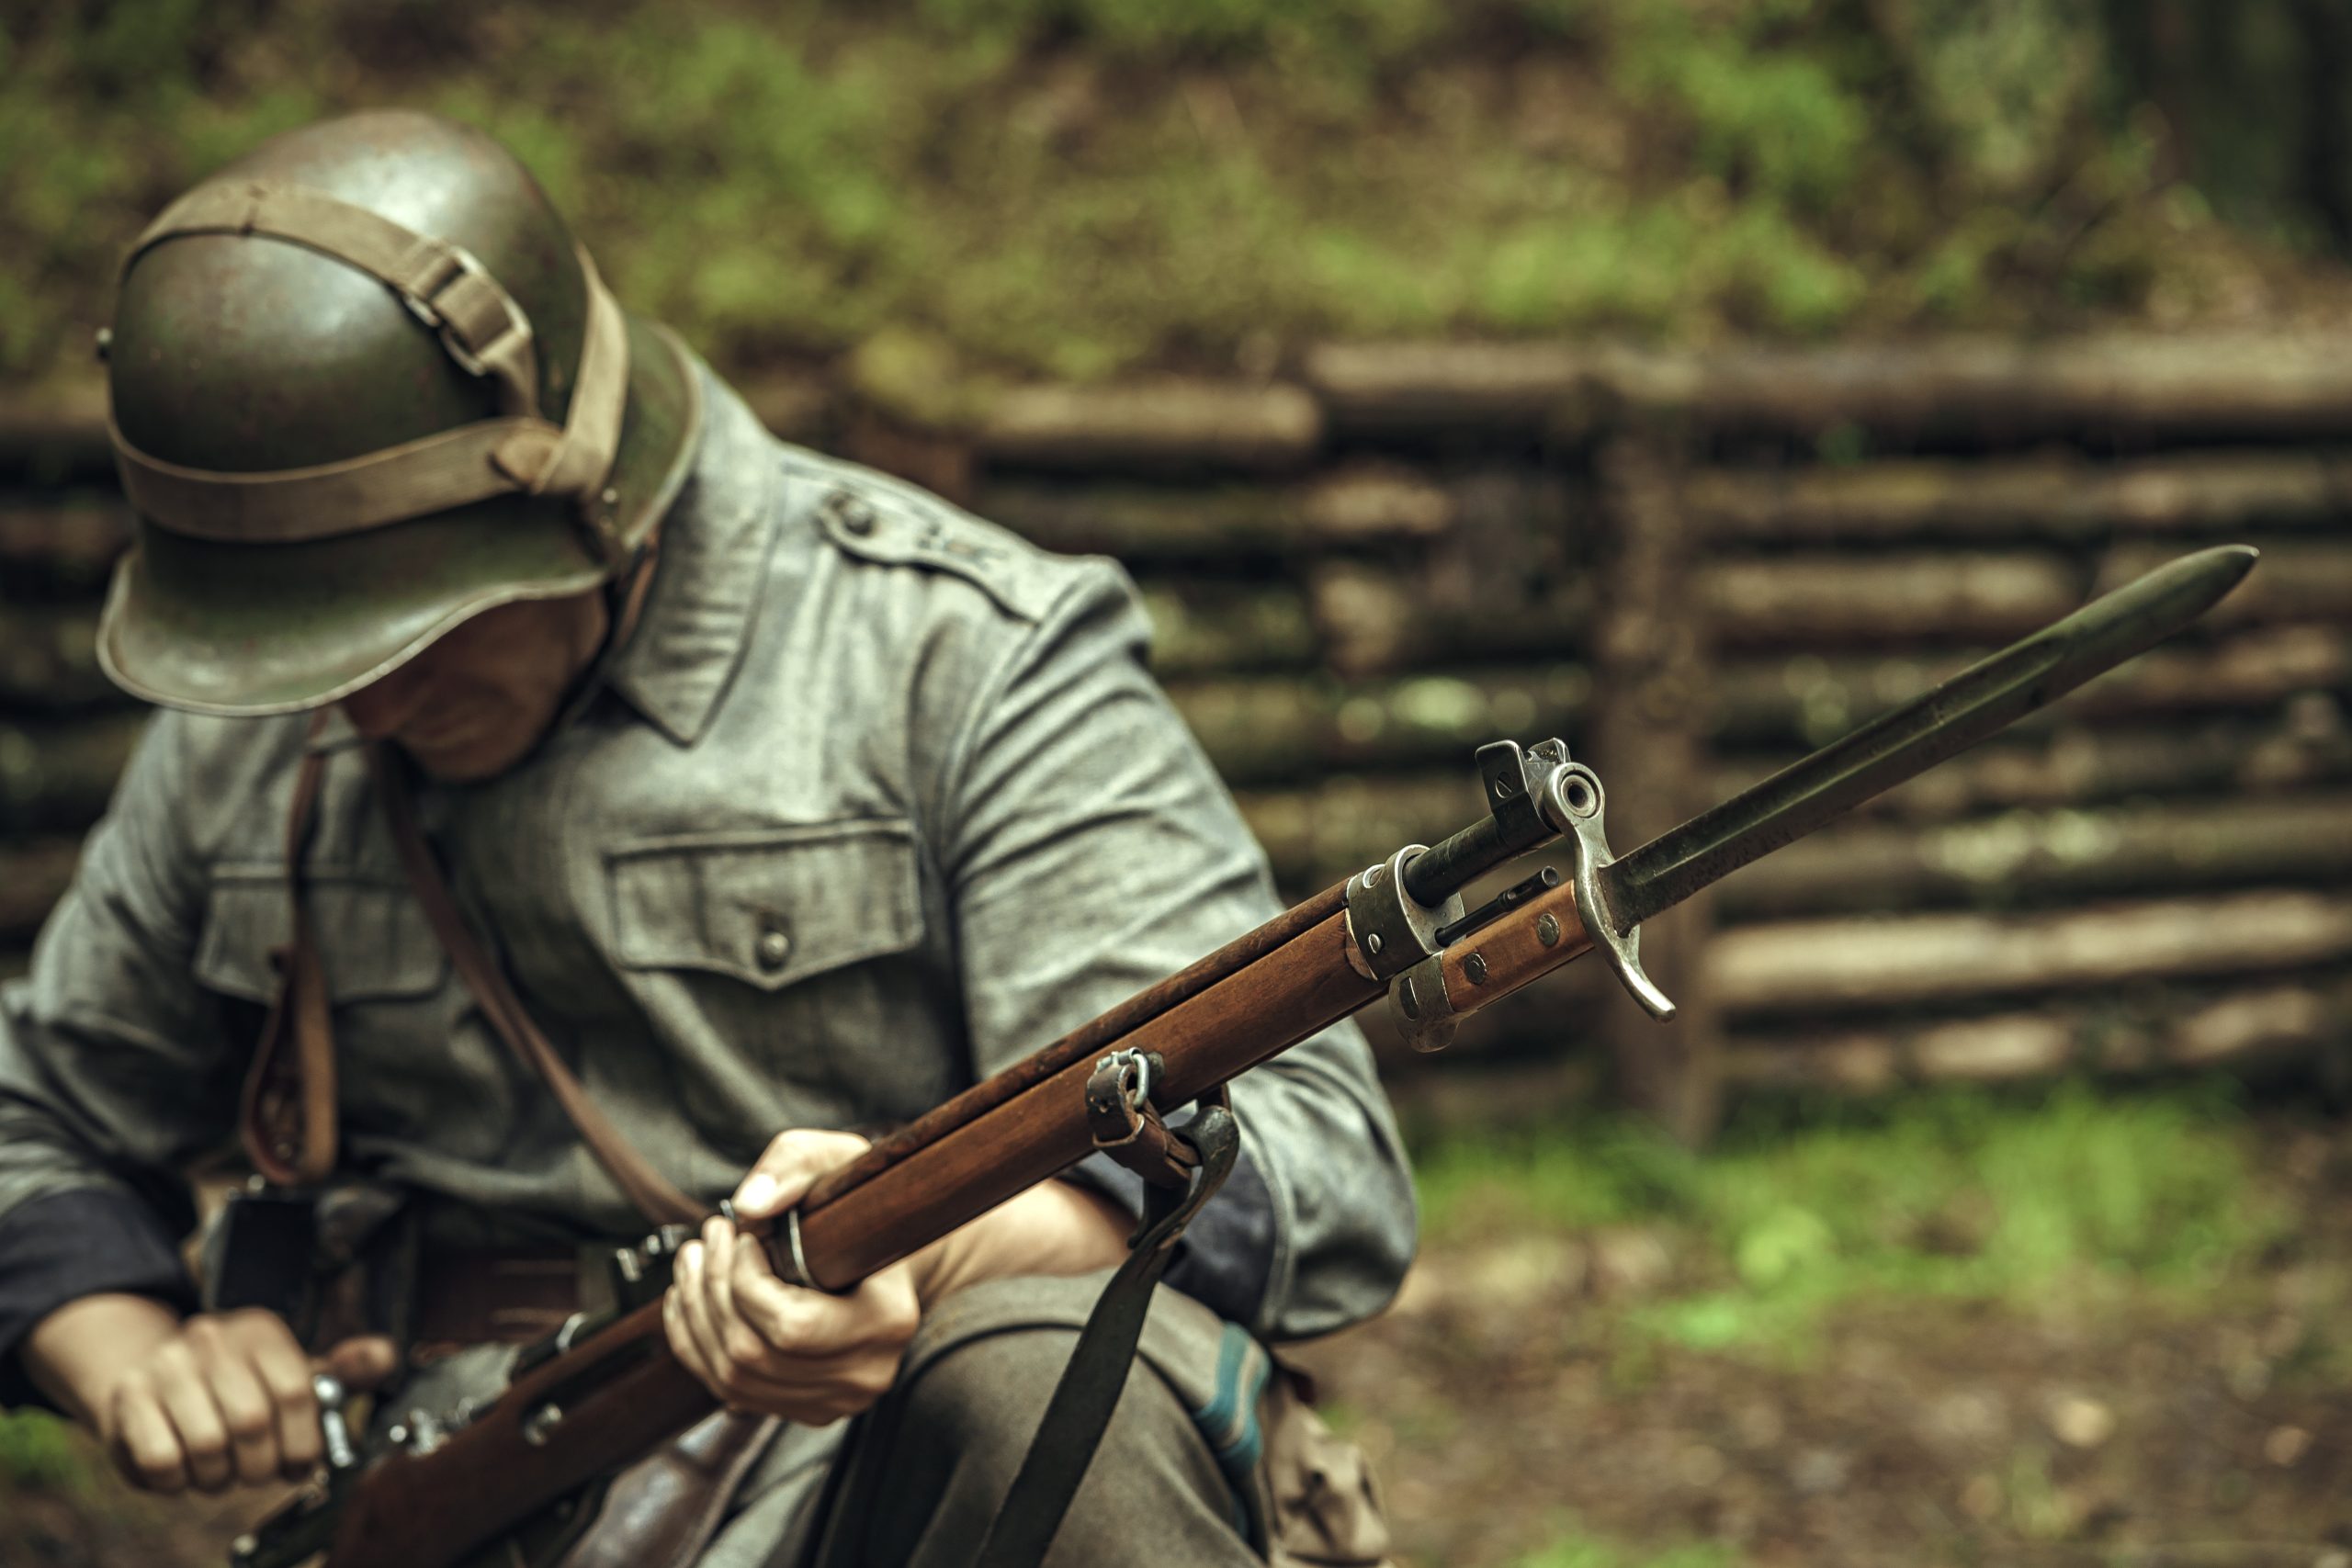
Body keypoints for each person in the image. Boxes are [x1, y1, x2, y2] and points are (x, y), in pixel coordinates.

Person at [0, 110, 1414, 1565]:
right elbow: (27, 1115)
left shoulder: (955, 655)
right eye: (305, 650)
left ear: (589, 494)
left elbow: (1305, 1157)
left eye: (414, 627)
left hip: (911, 1483)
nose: (360, 706)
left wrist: (935, 1250)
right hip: (468, 1492)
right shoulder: (263, 722)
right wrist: (132, 1359)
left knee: (1044, 1372)